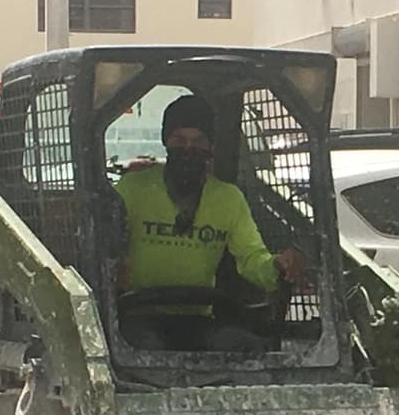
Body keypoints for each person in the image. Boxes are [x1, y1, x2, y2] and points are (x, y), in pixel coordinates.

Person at [115, 94, 304, 351]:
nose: (188, 149)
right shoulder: (131, 189)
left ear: (210, 146)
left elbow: (251, 258)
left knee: (245, 349)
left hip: (199, 317)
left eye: (198, 141)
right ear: (166, 141)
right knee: (146, 350)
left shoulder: (228, 199)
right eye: (179, 140)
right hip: (138, 315)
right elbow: (107, 247)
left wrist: (277, 267)